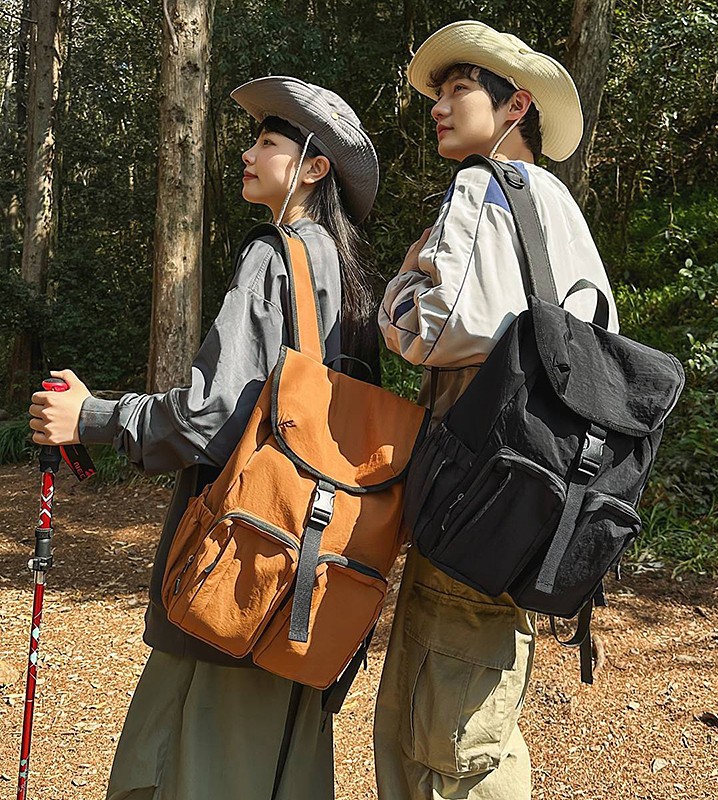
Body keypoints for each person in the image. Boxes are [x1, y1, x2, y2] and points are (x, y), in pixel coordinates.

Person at [28, 76, 380, 800]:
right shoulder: (351, 281)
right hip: (316, 588)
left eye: (269, 142)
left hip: (238, 586)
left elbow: (210, 420)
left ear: (314, 167)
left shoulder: (274, 258)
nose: (249, 153)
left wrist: (91, 416)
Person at [374, 20, 620, 800]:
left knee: (445, 743)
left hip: (473, 498)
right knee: (477, 714)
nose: (438, 108)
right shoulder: (559, 208)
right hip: (534, 499)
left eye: (457, 91)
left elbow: (433, 328)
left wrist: (397, 290)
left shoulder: (485, 186)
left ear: (514, 106)